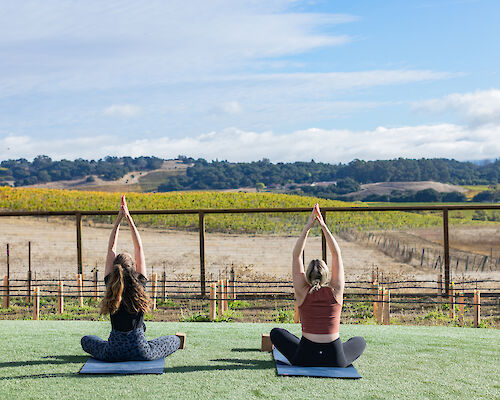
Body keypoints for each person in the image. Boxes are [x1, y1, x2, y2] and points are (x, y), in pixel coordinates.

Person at [81, 195, 181, 361]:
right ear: (133, 267)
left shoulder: (110, 282)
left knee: (86, 340)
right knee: (174, 340)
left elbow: (111, 248)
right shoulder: (140, 282)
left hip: (112, 353)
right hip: (141, 351)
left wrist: (118, 220)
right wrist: (129, 218)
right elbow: (139, 247)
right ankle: (153, 335)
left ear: (114, 269)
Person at [270, 204, 366, 367]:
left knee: (276, 333)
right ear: (326, 275)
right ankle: (334, 352)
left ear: (307, 276)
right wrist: (323, 226)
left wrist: (308, 227)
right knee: (360, 341)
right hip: (335, 359)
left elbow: (296, 255)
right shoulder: (336, 291)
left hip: (304, 358)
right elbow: (336, 255)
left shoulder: (302, 291)